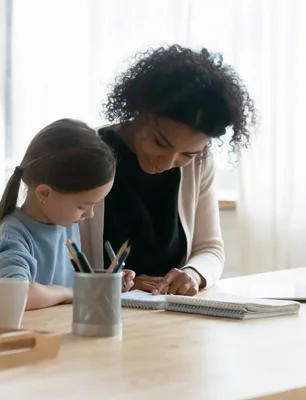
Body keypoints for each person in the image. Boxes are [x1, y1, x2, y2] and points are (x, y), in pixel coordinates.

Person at [79, 45, 257, 296]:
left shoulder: (199, 163)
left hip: (172, 316)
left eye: (186, 154)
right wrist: (113, 284)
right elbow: (53, 259)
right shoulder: (84, 156)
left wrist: (192, 275)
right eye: (161, 143)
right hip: (102, 314)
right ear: (138, 111)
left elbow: (210, 249)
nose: (165, 163)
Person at [0, 119, 135, 310]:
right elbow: (15, 295)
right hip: (30, 337)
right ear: (44, 193)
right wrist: (68, 292)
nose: (90, 214)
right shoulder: (14, 236)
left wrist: (104, 283)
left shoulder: (66, 224)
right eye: (83, 206)